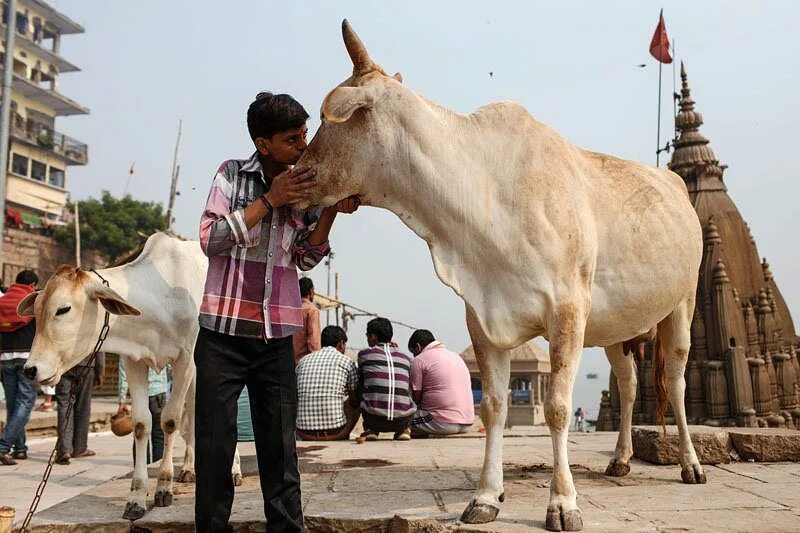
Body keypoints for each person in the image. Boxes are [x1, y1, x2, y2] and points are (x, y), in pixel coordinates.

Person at [194, 91, 359, 532]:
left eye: (304, 135)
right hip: (221, 336)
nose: (303, 146)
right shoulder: (232, 174)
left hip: (275, 338)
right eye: (292, 139)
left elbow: (305, 258)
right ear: (263, 144)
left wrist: (330, 214)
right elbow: (210, 239)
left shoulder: (305, 182)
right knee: (214, 445)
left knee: (280, 448)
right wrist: (270, 200)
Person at [0, 270, 38, 465]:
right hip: (26, 358)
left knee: (14, 405)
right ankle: (3, 446)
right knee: (25, 404)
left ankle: (20, 449)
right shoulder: (30, 301)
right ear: (32, 283)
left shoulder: (3, 300)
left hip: (5, 357)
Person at [296, 326, 359, 441]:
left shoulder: (302, 361)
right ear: (341, 344)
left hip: (304, 433)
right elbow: (354, 400)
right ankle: (344, 435)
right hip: (336, 432)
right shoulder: (346, 361)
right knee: (355, 403)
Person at [407, 329, 475, 437]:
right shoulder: (456, 356)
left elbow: (416, 398)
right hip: (467, 422)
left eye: (413, 352)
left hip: (441, 421)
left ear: (418, 347)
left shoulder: (419, 360)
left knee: (401, 419)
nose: (414, 356)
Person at [357, 318, 416, 441]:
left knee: (361, 382)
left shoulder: (364, 354)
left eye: (367, 336)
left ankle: (370, 429)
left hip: (374, 419)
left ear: (373, 337)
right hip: (402, 419)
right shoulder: (406, 358)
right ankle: (403, 430)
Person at [55, 351, 105, 464]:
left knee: (64, 405)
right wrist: (100, 370)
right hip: (86, 364)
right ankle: (79, 448)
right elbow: (100, 345)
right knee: (83, 407)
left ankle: (64, 450)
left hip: (64, 364)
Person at [117, 357, 169, 463]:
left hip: (139, 394)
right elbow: (169, 363)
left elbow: (123, 373)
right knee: (159, 434)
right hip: (159, 393)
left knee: (140, 433)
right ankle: (157, 466)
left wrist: (122, 400)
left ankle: (141, 467)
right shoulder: (160, 341)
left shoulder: (129, 344)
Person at [292, 277, 321, 363]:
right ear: (311, 292)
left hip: (289, 362)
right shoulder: (312, 310)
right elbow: (314, 342)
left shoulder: (290, 310)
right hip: (305, 362)